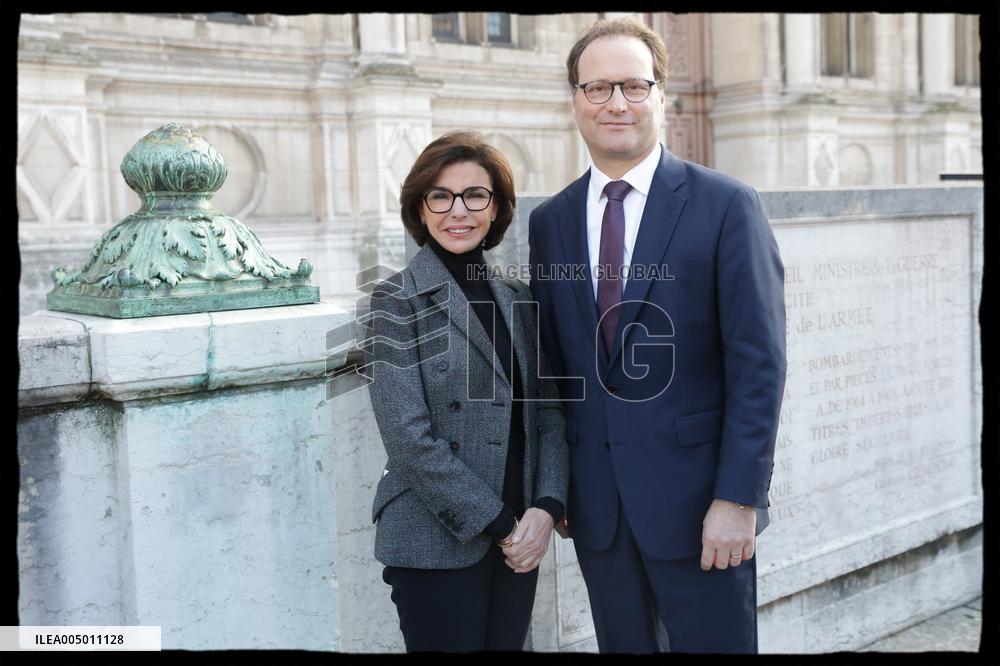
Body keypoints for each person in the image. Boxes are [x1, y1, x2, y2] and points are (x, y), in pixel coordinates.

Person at [527, 18, 786, 654]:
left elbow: (759, 363)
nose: (616, 103)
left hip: (702, 510)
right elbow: (556, 371)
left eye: (634, 86)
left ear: (660, 96)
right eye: (598, 88)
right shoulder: (550, 222)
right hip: (599, 516)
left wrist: (738, 500)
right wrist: (556, 490)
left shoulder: (725, 205)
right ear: (576, 102)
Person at [365, 131, 569, 652]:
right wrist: (501, 523)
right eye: (441, 196)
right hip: (437, 542)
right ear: (420, 207)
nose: (459, 211)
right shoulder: (394, 301)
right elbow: (408, 438)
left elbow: (548, 413)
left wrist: (545, 507)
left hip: (519, 541)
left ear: (496, 207)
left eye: (476, 195)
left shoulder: (518, 296)